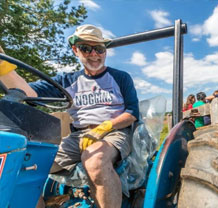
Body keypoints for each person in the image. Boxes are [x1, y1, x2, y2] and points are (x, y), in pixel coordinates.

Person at [0, 24, 139, 208]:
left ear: (105, 51)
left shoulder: (120, 77)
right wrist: (4, 67)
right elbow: (28, 93)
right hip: (77, 136)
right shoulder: (67, 80)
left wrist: (104, 127)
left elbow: (132, 113)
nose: (94, 54)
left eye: (98, 48)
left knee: (94, 160)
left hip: (113, 132)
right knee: (28, 166)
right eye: (86, 48)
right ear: (75, 50)